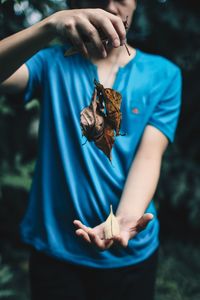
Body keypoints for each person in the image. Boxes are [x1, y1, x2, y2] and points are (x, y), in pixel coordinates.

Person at [0, 0, 182, 299]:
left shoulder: (164, 75)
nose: (110, 6)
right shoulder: (51, 63)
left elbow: (149, 155)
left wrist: (123, 220)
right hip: (56, 250)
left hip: (131, 257)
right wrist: (48, 26)